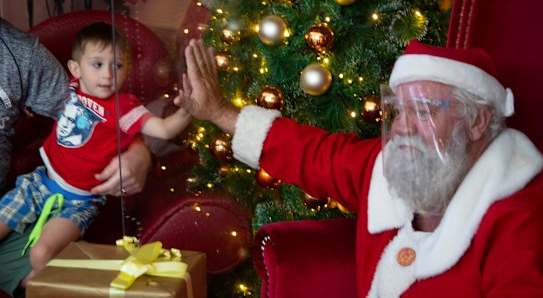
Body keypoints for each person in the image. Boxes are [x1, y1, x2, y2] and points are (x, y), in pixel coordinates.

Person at [177, 38, 543, 296]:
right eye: (399, 111)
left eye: (424, 111)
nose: (401, 126)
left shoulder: (520, 217)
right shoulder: (386, 166)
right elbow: (312, 154)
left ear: (478, 121)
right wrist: (219, 112)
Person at [0, 21, 188, 293]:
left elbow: (154, 129)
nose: (107, 75)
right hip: (39, 187)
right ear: (77, 68)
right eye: (98, 65)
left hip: (65, 196)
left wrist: (140, 150)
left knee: (41, 259)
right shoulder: (78, 87)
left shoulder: (24, 56)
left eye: (117, 66)